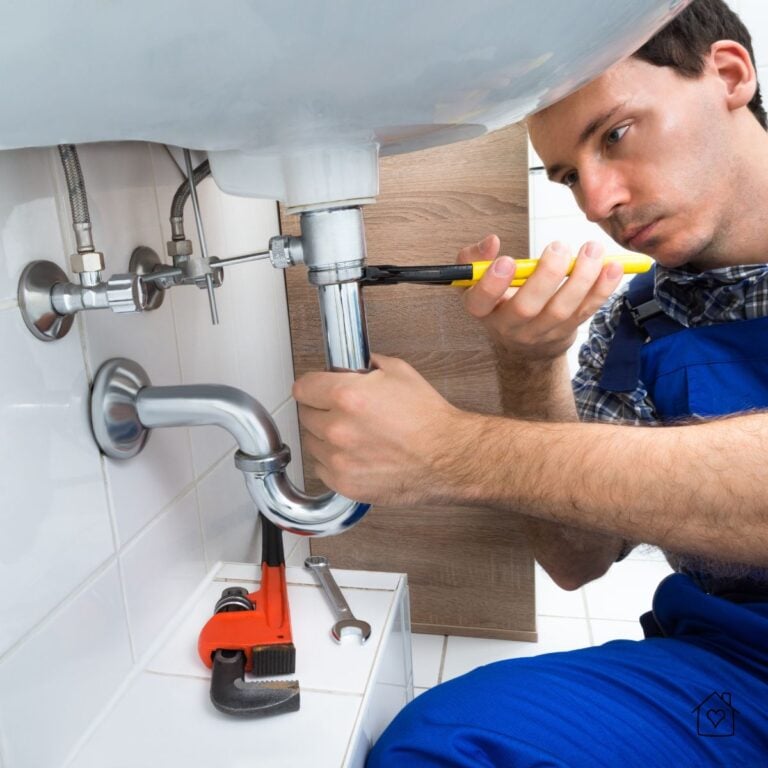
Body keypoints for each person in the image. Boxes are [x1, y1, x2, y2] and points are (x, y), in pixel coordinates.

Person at [294, 1, 768, 764]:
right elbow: (578, 561)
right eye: (569, 175)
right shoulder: (636, 324)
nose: (598, 202)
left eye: (615, 133)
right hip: (736, 670)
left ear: (728, 74)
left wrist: (453, 451)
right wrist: (530, 362)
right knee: (445, 744)